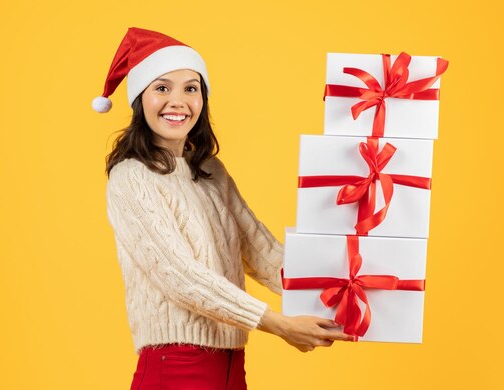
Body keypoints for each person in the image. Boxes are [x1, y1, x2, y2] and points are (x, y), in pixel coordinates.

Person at [94, 27, 352, 390]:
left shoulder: (211, 171)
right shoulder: (131, 178)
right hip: (176, 366)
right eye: (162, 88)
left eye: (191, 88)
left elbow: (260, 249)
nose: (178, 101)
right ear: (140, 99)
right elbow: (182, 278)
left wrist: (342, 289)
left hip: (232, 365)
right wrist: (279, 324)